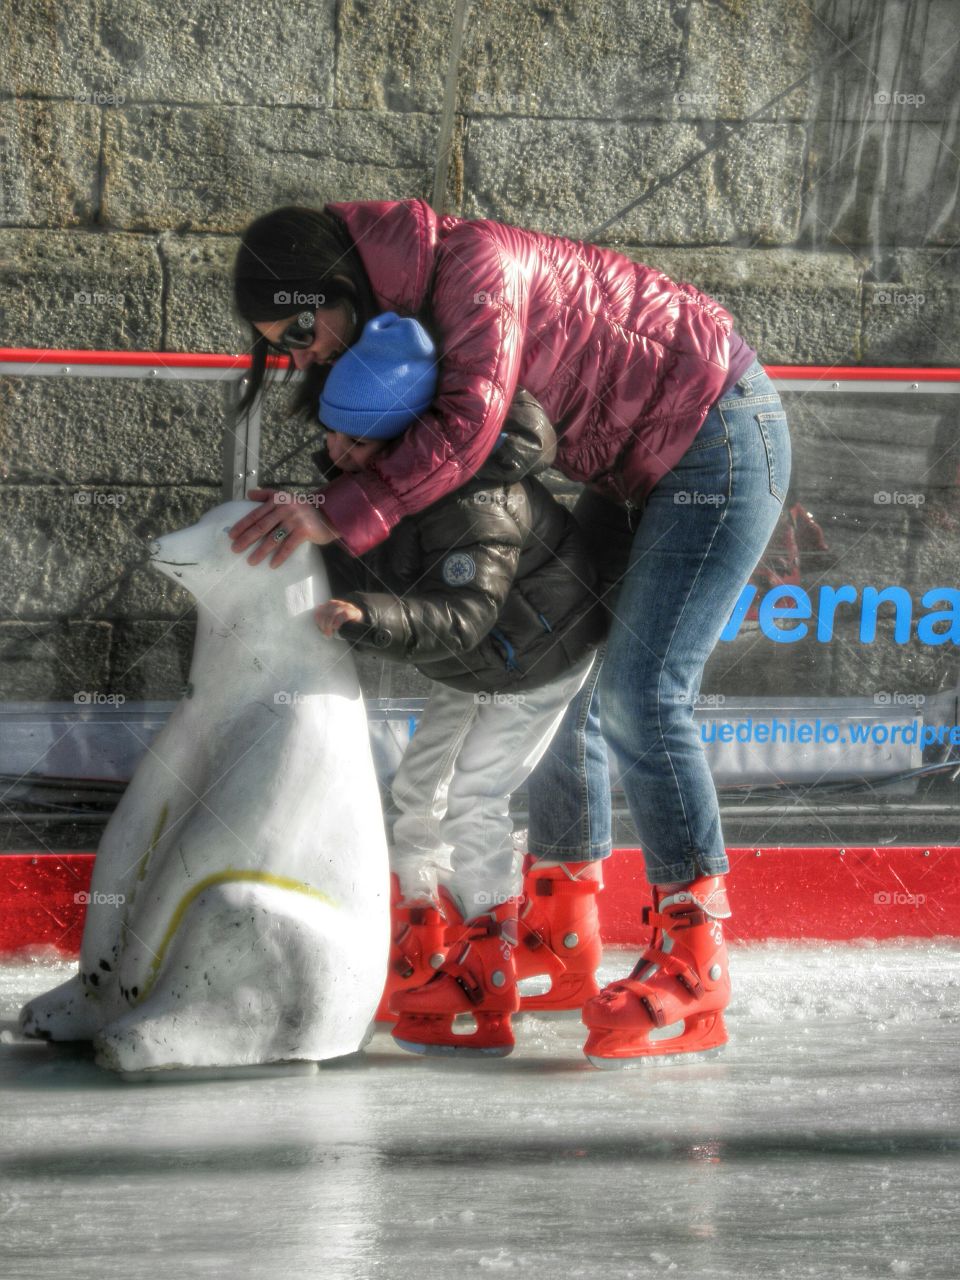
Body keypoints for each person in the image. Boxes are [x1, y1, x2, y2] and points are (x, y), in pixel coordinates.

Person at [228, 198, 791, 1067]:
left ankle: (696, 950)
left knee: (645, 695)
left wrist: (337, 514)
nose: (303, 356)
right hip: (632, 459)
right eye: (284, 348)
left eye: (299, 332)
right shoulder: (405, 313)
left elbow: (467, 428)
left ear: (333, 287)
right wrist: (318, 504)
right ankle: (564, 924)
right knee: (560, 655)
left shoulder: (471, 269)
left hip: (717, 434)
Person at [309, 310, 606, 1056]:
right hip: (478, 656)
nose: (338, 455)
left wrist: (365, 613)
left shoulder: (477, 497)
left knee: (475, 794)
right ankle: (420, 927)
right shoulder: (393, 475)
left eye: (358, 441)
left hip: (536, 656)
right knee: (418, 786)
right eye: (332, 434)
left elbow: (465, 614)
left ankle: (488, 958)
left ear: (408, 438)